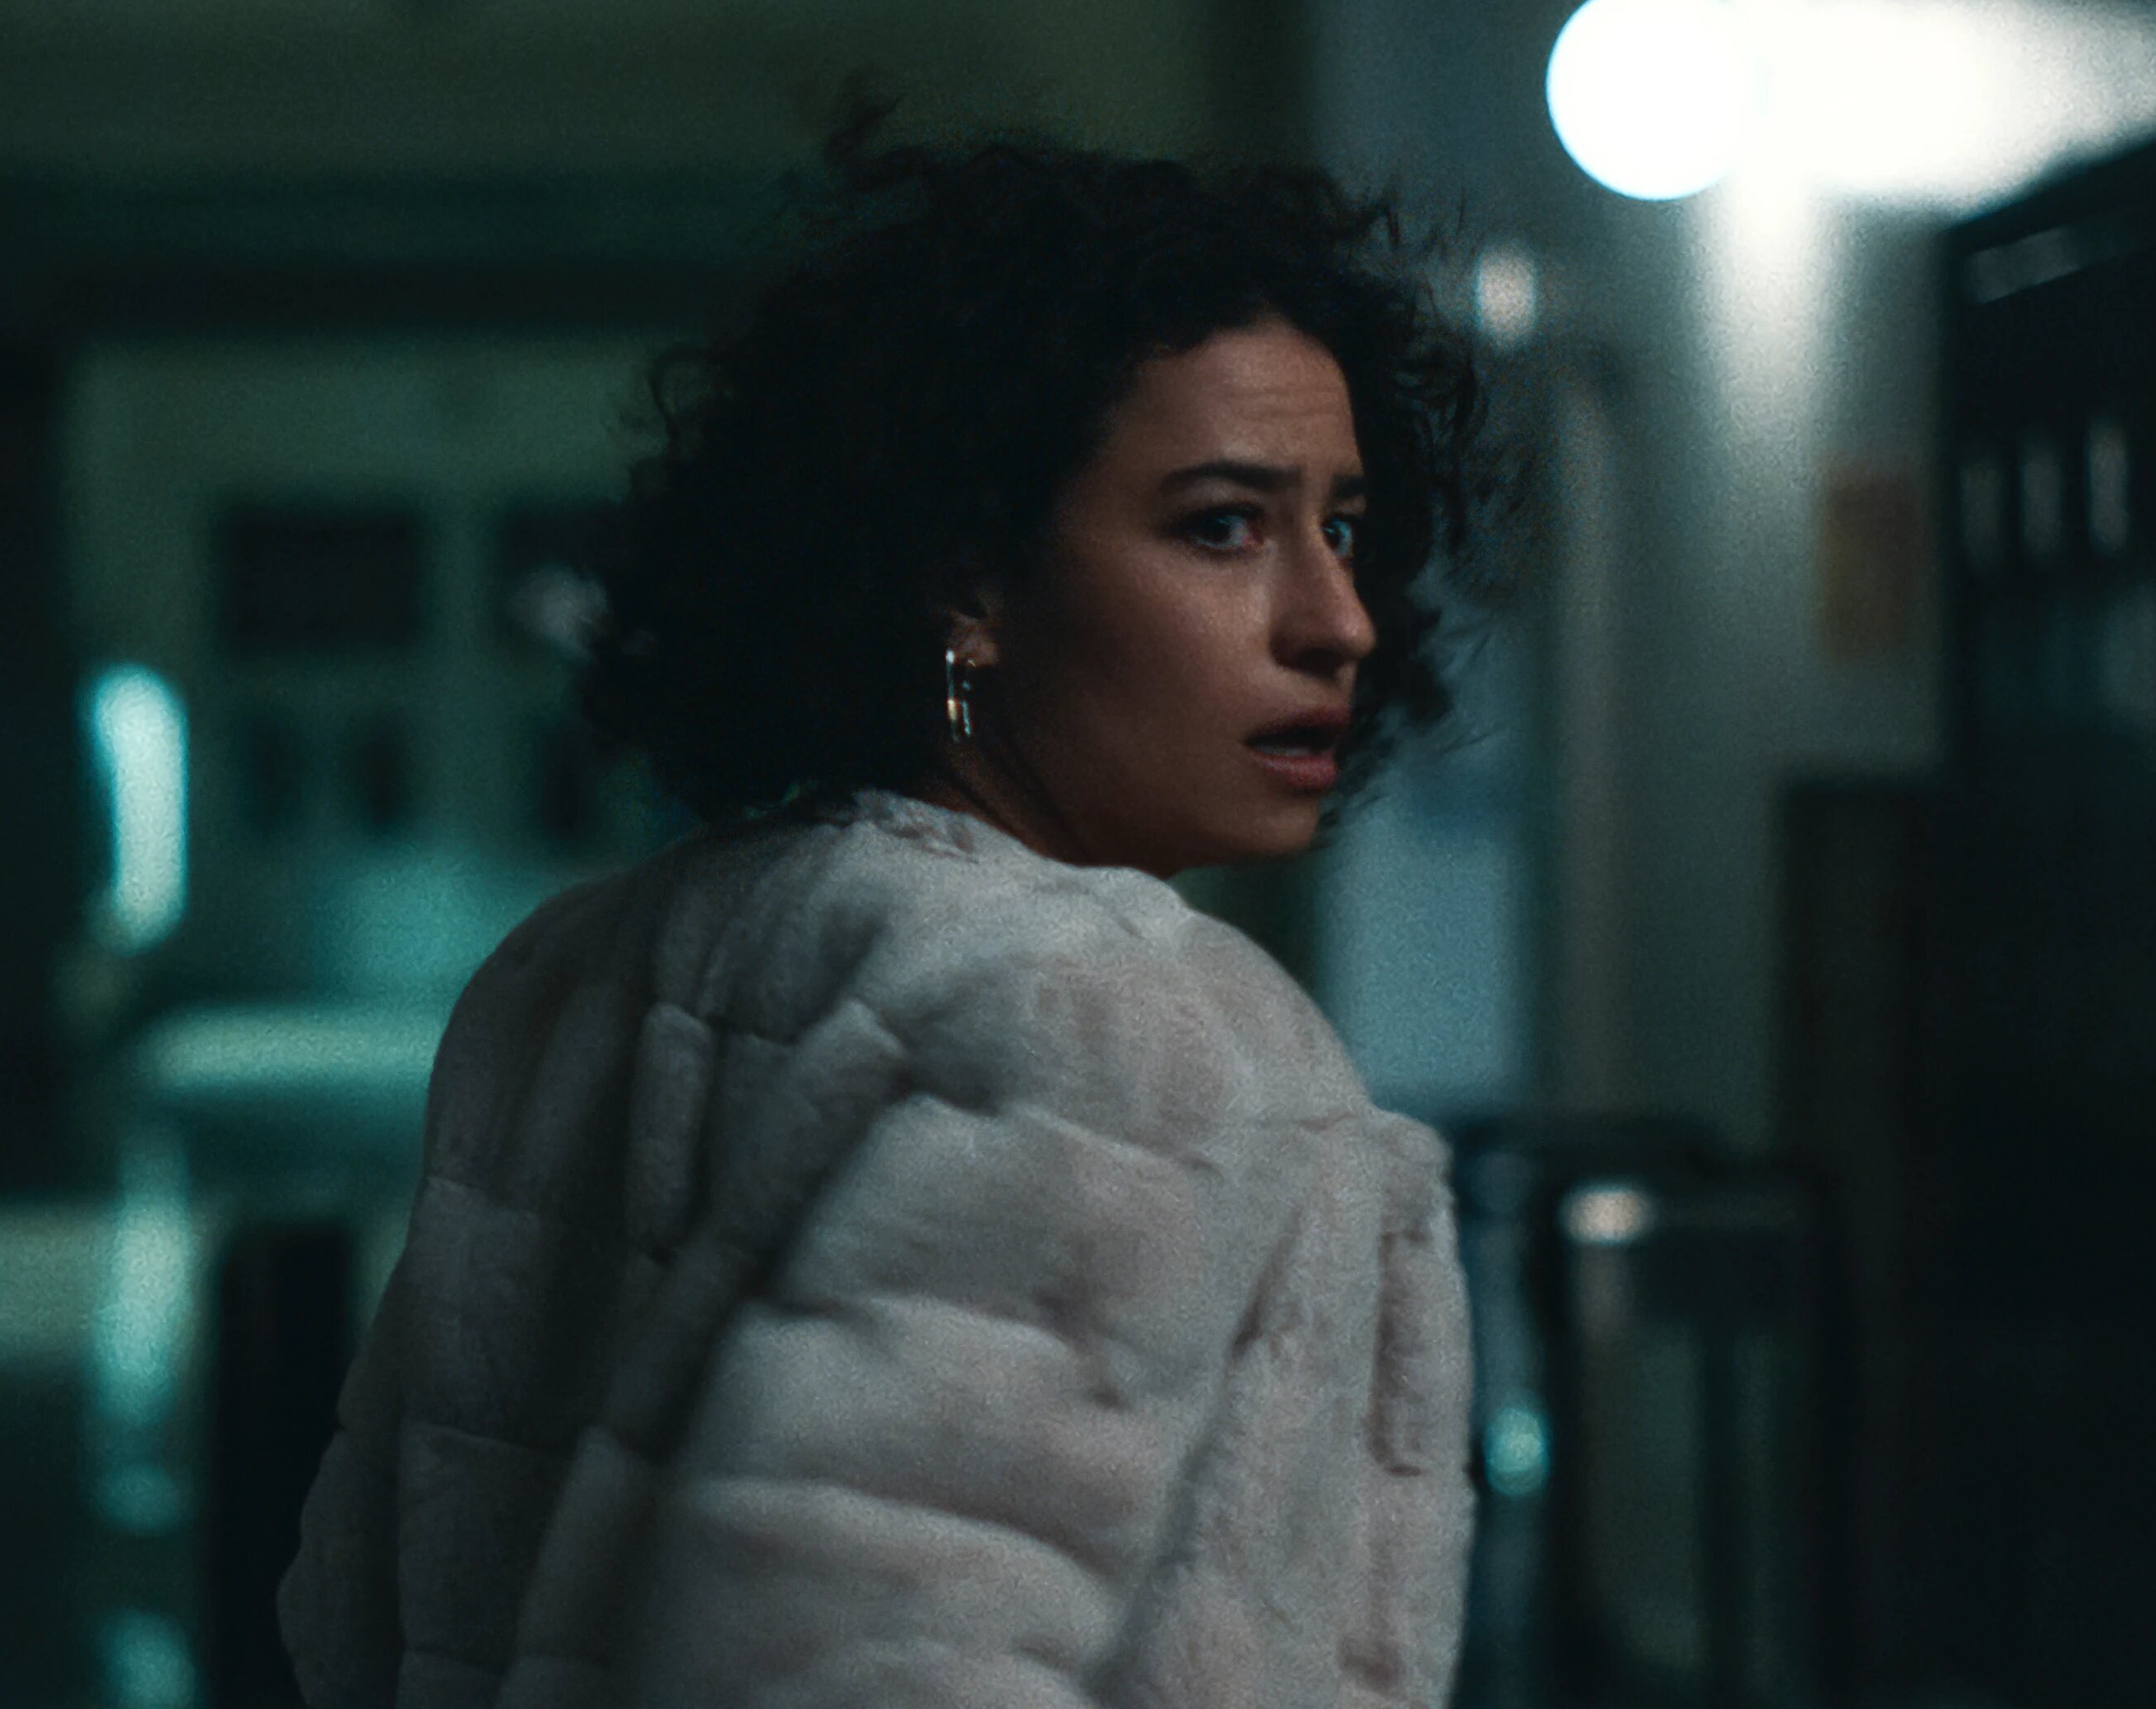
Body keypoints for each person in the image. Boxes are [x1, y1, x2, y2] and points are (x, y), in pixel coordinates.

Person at [279, 102, 1505, 1708]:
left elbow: (357, 1617)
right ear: (967, 584)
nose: (1337, 619)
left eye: (1341, 528)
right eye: (1222, 527)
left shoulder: (595, 964)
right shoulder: (1116, 1024)